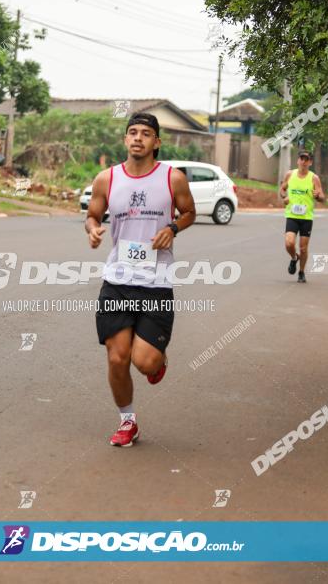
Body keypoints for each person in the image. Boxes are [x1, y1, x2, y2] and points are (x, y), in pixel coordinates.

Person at [85, 112, 196, 447]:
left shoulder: (172, 178)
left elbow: (189, 211)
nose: (137, 138)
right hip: (118, 280)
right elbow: (92, 215)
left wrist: (172, 228)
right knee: (117, 357)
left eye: (146, 134)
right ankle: (127, 421)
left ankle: (156, 359)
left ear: (156, 142)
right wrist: (93, 230)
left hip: (156, 282)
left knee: (144, 361)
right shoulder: (107, 178)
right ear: (125, 139)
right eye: (132, 132)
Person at [280, 150, 325, 283]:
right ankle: (294, 258)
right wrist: (284, 197)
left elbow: (322, 197)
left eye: (307, 159)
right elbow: (282, 189)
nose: (304, 162)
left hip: (306, 217)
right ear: (298, 160)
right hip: (292, 215)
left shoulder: (314, 178)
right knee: (289, 243)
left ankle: (301, 272)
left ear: (310, 162)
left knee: (303, 248)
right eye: (302, 158)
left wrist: (318, 196)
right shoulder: (290, 174)